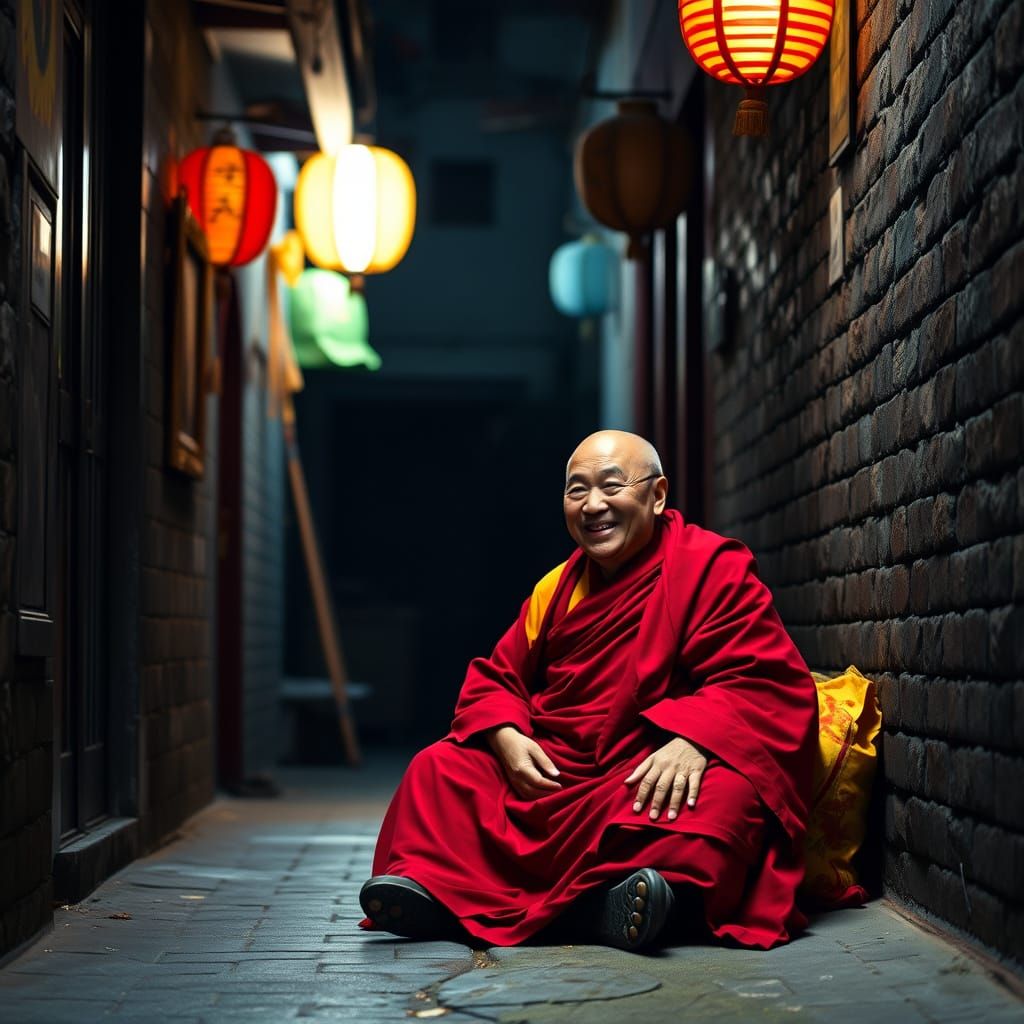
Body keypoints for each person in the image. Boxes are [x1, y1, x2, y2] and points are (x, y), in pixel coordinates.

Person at [360, 430, 818, 952]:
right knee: (437, 770)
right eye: (577, 491)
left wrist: (697, 740)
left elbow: (768, 682)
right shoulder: (556, 588)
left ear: (658, 494)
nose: (594, 505)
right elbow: (497, 676)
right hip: (553, 778)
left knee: (726, 797)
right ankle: (593, 908)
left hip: (640, 777)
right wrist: (507, 736)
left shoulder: (711, 570)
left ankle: (461, 904)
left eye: (611, 486)